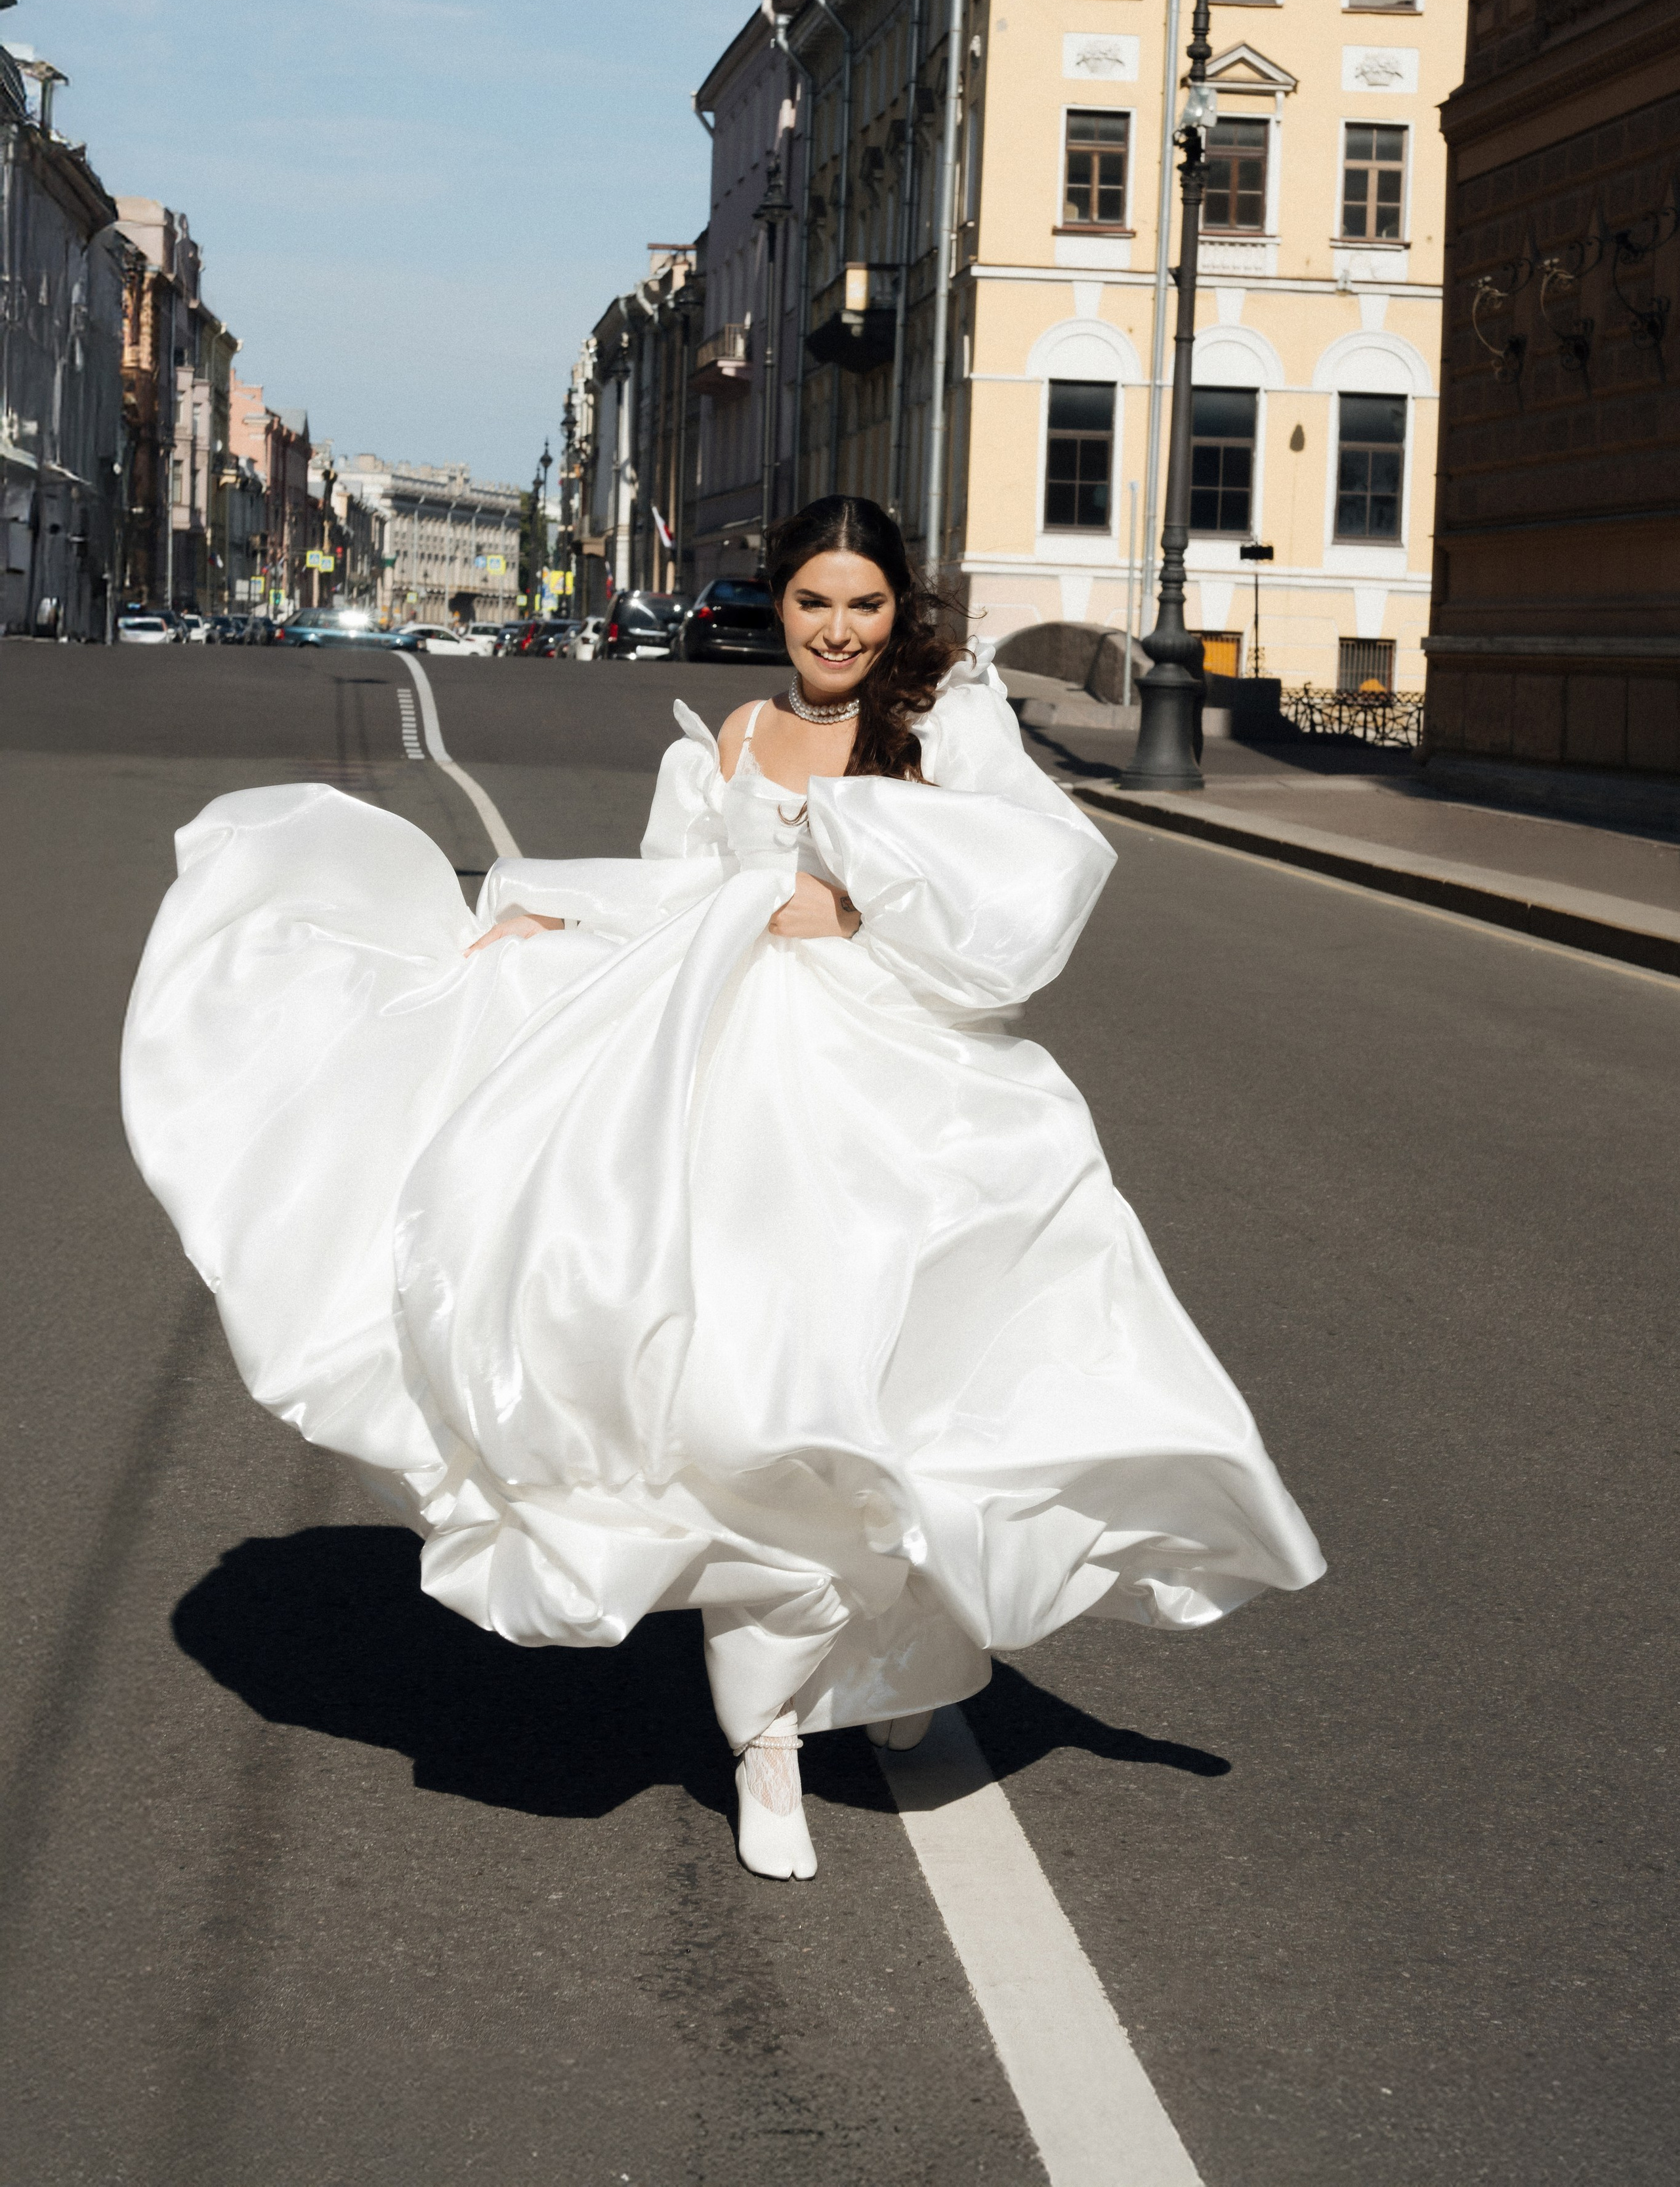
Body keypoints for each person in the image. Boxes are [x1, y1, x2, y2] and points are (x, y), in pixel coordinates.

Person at [123, 495, 1323, 1882]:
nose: (838, 631)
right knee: (754, 1400)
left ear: (899, 610)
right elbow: (672, 896)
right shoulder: (734, 745)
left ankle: (902, 1661)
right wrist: (542, 919)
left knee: (921, 1388)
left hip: (899, 1073)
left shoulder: (949, 720)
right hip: (742, 1081)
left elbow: (1027, 878)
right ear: (780, 602)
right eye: (816, 603)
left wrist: (864, 897)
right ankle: (768, 1743)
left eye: (865, 606)